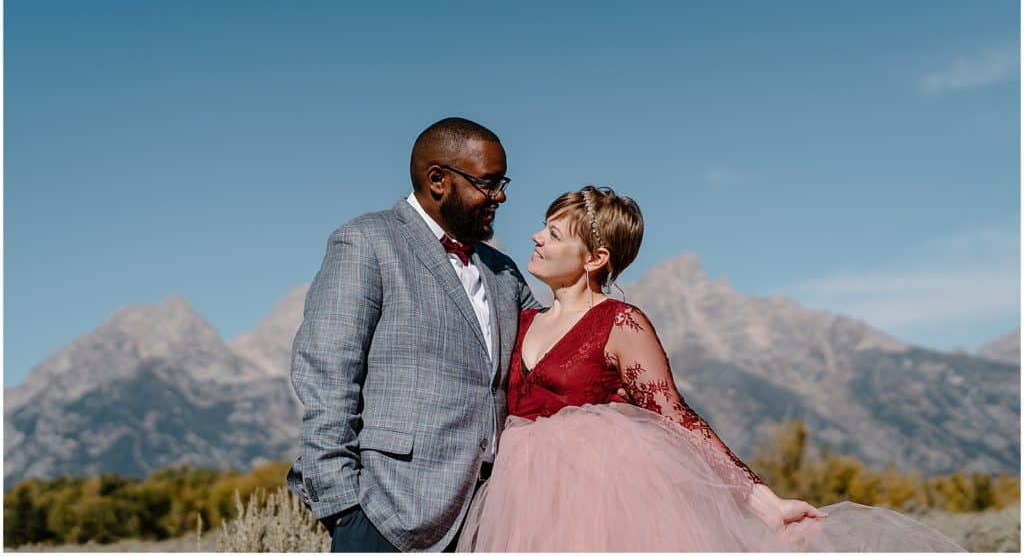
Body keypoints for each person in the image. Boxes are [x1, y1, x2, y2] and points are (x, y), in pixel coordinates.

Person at [457, 186, 965, 552]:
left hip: (602, 504)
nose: (536, 237)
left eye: (553, 232)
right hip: (519, 506)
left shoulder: (619, 322)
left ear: (595, 258)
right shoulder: (520, 319)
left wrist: (765, 503)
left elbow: (677, 417)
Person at [287, 117, 539, 552]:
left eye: (503, 183)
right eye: (488, 183)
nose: (499, 196)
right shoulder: (366, 241)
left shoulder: (504, 271)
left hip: (488, 519)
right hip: (386, 513)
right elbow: (326, 373)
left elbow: (556, 345)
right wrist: (343, 505)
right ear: (438, 180)